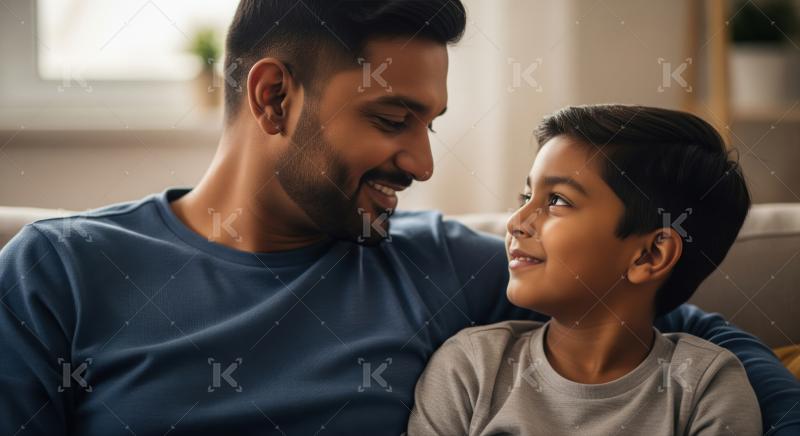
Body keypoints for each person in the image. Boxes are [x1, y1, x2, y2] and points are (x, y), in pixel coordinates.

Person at [0, 2, 798, 434]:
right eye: (391, 120)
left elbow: (680, 331)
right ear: (273, 97)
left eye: (431, 126)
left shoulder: (441, 264)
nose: (421, 164)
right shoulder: (62, 270)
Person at [407, 105, 762, 435]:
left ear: (650, 255)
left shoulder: (706, 388)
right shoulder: (471, 368)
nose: (516, 222)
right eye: (525, 198)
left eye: (557, 201)